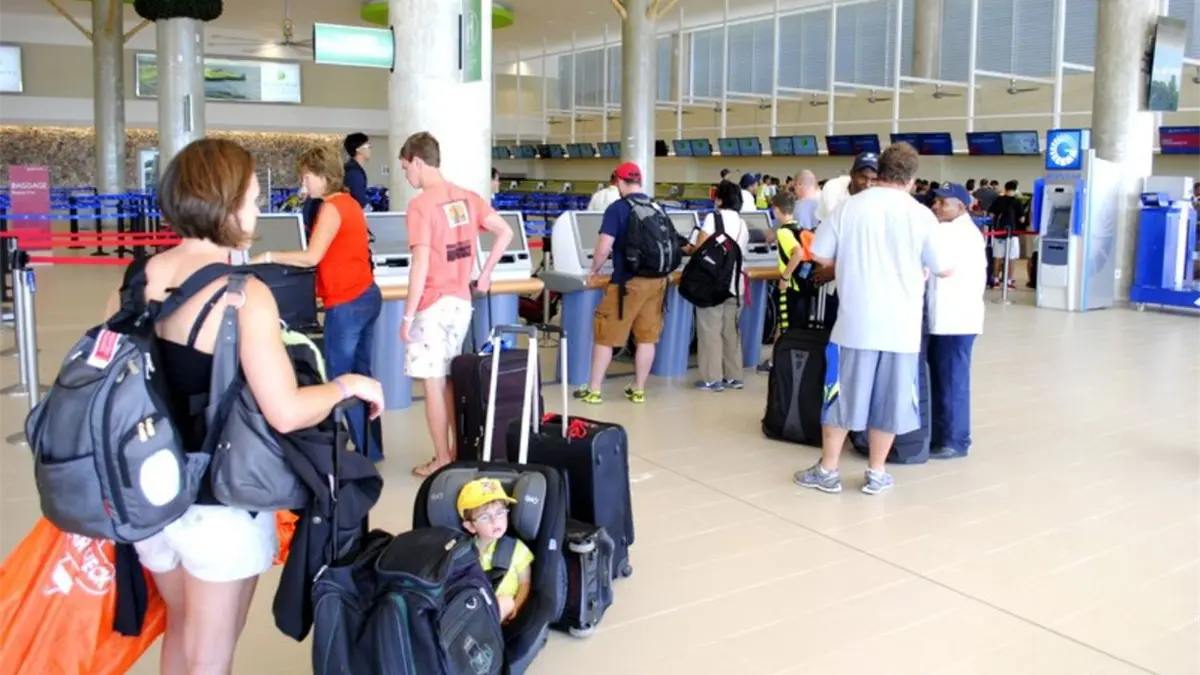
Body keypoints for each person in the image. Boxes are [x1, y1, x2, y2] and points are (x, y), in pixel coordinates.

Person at [110, 138, 383, 675]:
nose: (258, 209)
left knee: (181, 635)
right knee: (211, 659)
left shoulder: (137, 277)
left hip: (146, 495)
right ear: (226, 203)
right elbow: (284, 410)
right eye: (253, 198)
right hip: (217, 503)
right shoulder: (243, 294)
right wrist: (347, 385)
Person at [793, 142, 950, 496]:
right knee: (891, 401)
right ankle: (876, 472)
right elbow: (944, 268)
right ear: (911, 179)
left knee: (841, 398)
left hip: (854, 325)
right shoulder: (922, 215)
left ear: (879, 171)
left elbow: (818, 254)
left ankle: (828, 470)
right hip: (902, 330)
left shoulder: (850, 208)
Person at [398, 132, 514, 478]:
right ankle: (453, 450)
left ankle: (441, 459)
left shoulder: (420, 206)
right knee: (448, 378)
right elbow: (504, 232)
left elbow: (419, 265)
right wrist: (486, 274)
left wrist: (407, 315)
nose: (406, 175)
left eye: (405, 168)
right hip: (461, 302)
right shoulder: (467, 198)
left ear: (418, 161)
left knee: (433, 382)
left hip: (432, 304)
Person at [257, 145, 383, 462]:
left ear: (323, 176)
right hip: (367, 295)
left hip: (347, 303)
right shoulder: (350, 203)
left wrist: (270, 256)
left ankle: (356, 452)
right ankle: (371, 448)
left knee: (341, 379)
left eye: (307, 176)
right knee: (362, 374)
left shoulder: (330, 207)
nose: (304, 183)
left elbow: (312, 256)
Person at [574, 162, 667, 405]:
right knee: (646, 337)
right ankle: (638, 389)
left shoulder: (618, 208)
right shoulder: (656, 206)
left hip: (628, 283)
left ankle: (594, 390)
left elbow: (604, 247)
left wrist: (593, 270)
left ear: (618, 181)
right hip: (657, 281)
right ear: (640, 181)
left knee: (606, 335)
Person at [928, 184, 986, 460]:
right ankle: (943, 436)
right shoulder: (952, 229)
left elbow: (940, 267)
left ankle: (955, 440)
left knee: (952, 380)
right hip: (947, 319)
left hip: (956, 320)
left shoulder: (958, 233)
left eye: (944, 203)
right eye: (936, 201)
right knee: (943, 379)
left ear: (961, 207)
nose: (937, 206)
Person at [691, 179, 750, 392]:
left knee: (710, 330)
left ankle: (711, 378)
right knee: (731, 331)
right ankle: (734, 376)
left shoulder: (712, 218)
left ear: (720, 199)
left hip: (712, 285)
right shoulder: (743, 223)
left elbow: (699, 248)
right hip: (736, 284)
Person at [458, 478, 534, 624]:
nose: (495, 521)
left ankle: (479, 633)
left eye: (500, 512)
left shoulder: (517, 549)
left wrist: (516, 607)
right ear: (470, 526)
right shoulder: (464, 551)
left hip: (498, 609)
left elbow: (525, 583)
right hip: (469, 605)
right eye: (485, 517)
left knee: (506, 602)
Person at [987, 179, 1024, 289]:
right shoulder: (1017, 201)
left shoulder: (999, 200)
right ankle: (1008, 281)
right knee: (1012, 258)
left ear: (1005, 188)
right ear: (1015, 189)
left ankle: (996, 280)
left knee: (997, 257)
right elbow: (1022, 219)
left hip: (999, 232)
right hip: (1013, 233)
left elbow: (991, 214)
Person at [343, 132, 371, 208]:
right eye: (368, 146)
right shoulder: (354, 172)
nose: (370, 150)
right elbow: (359, 201)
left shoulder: (351, 168)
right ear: (359, 149)